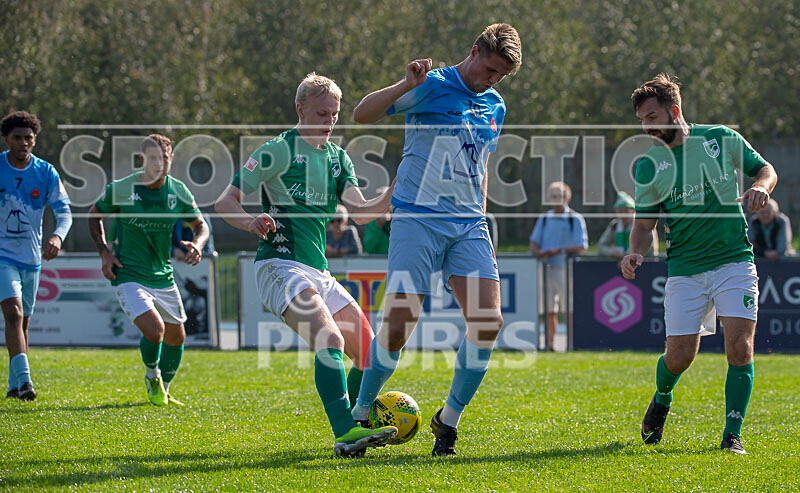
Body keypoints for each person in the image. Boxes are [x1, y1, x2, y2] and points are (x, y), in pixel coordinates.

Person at [349, 23, 522, 456]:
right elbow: (361, 115)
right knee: (400, 321)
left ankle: (448, 421)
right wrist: (405, 84)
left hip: (468, 225)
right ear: (474, 51)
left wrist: (482, 221)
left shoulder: (495, 105)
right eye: (490, 68)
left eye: (501, 75)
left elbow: (479, 167)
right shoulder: (430, 84)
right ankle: (361, 413)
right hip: (417, 218)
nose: (492, 79)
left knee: (488, 322)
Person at [214, 73, 398, 457]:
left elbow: (361, 214)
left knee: (371, 355)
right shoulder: (277, 150)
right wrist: (249, 220)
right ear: (300, 110)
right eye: (321, 113)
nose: (329, 122)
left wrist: (394, 192)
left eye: (334, 115)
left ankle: (354, 427)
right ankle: (345, 431)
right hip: (279, 265)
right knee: (329, 339)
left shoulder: (337, 158)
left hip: (318, 270)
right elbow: (225, 202)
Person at [622, 73, 778, 455]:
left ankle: (732, 435)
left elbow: (766, 169)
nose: (647, 127)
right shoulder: (648, 166)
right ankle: (661, 398)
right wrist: (635, 250)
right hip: (685, 269)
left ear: (675, 111)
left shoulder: (720, 138)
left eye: (653, 117)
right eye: (642, 120)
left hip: (734, 260)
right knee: (680, 357)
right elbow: (644, 224)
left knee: (740, 349)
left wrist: (761, 187)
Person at [88, 134, 209, 407]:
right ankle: (151, 374)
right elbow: (94, 214)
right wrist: (104, 252)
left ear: (171, 159)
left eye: (164, 158)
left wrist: (198, 244)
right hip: (128, 273)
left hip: (162, 274)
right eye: (153, 158)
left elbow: (200, 224)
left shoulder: (178, 191)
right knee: (155, 331)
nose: (159, 163)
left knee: (177, 337)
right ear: (143, 160)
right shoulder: (123, 188)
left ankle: (164, 389)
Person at [1, 111, 72, 401]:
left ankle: (13, 387)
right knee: (14, 314)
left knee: (23, 323)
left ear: (35, 139)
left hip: (31, 258)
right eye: (17, 137)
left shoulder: (46, 172)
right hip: (2, 257)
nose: (23, 143)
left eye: (28, 138)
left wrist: (57, 236)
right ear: (6, 139)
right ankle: (27, 383)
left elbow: (64, 212)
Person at [529, 182, 588, 351]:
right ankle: (550, 345)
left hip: (565, 268)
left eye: (560, 196)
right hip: (546, 268)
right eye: (553, 196)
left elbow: (581, 247)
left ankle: (571, 344)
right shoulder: (544, 218)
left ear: (567, 198)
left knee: (569, 309)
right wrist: (538, 251)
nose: (557, 200)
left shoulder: (575, 219)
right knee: (548, 310)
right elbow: (534, 242)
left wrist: (559, 250)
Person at [597, 191, 658, 258]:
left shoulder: (643, 224)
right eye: (620, 211)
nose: (623, 214)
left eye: (626, 211)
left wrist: (629, 254)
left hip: (645, 263)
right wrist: (613, 253)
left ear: (634, 211)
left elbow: (650, 248)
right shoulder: (614, 225)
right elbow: (601, 247)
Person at [363, 186, 391, 254]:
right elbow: (369, 249)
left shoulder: (398, 220)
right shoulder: (372, 223)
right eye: (380, 201)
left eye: (386, 201)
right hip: (376, 262)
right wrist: (379, 226)